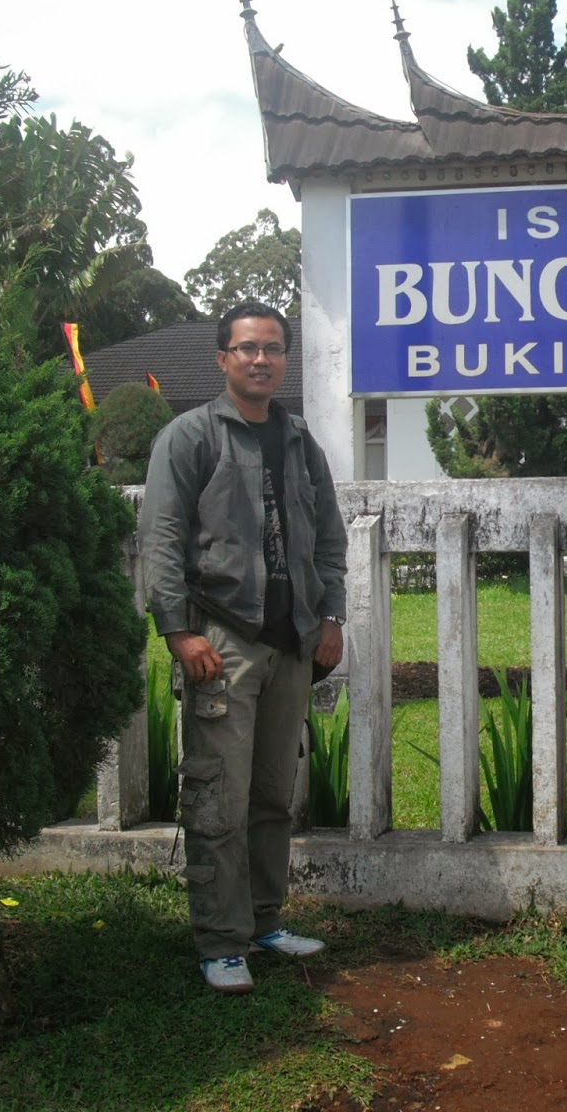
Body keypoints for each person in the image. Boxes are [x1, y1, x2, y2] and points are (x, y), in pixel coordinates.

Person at [139, 300, 347, 993]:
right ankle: (219, 940)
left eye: (274, 348)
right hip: (221, 639)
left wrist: (332, 617)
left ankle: (263, 921)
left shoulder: (297, 440)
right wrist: (178, 630)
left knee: (269, 796)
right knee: (217, 798)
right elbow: (161, 538)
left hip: (292, 641)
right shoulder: (189, 437)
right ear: (223, 358)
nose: (262, 359)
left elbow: (329, 540)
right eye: (248, 348)